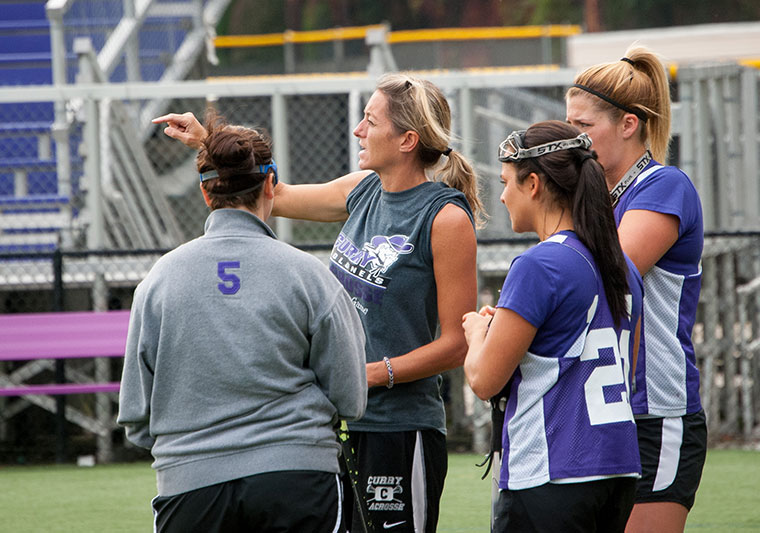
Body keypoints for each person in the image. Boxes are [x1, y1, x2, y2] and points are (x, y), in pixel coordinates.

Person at [152, 72, 482, 533]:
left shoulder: (444, 218)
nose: (358, 130)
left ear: (407, 139)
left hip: (398, 428)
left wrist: (371, 374)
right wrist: (210, 144)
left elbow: (457, 343)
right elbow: (276, 194)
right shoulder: (363, 188)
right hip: (333, 426)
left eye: (370, 120)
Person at [117, 114, 367, 533]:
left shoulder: (159, 280)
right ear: (270, 185)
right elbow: (351, 397)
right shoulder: (309, 275)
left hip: (190, 486)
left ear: (204, 191)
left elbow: (135, 414)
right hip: (298, 478)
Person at [462, 120, 644, 532]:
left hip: (553, 471)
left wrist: (477, 335)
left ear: (534, 184)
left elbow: (484, 379)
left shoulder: (539, 264)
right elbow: (624, 371)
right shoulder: (624, 267)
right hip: (617, 470)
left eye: (507, 181)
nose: (503, 195)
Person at [565, 45, 707, 533]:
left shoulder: (663, 185)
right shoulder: (594, 196)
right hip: (600, 410)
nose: (573, 140)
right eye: (569, 126)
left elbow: (606, 275)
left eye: (584, 127)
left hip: (655, 412)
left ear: (628, 124)